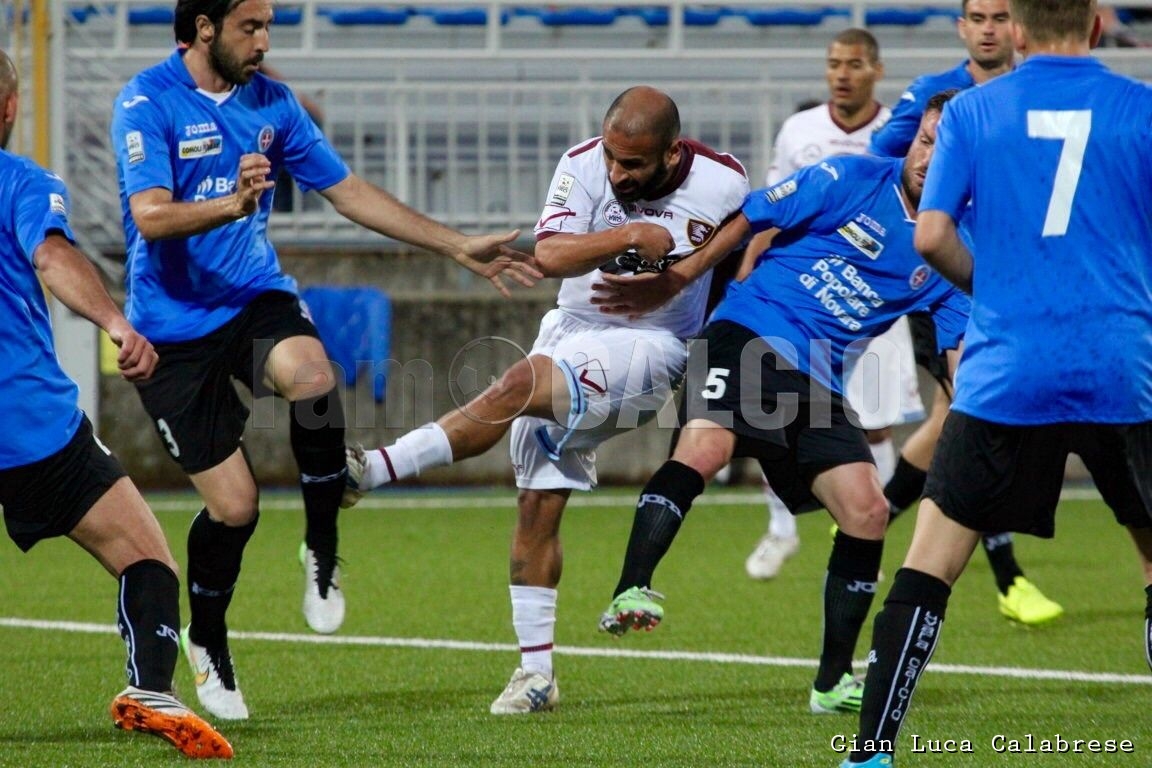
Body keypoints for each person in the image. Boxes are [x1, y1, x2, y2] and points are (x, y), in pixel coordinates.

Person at [110, 0, 539, 722]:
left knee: (313, 376)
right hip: (172, 333)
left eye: (268, 26)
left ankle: (322, 546)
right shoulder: (146, 101)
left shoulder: (272, 102)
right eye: (251, 28)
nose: (265, 42)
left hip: (254, 297)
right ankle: (208, 638)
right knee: (236, 507)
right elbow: (150, 215)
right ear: (206, 27)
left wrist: (455, 244)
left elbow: (351, 193)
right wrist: (231, 203)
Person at [341, 85, 750, 714]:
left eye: (633, 165)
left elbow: (755, 237)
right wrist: (632, 234)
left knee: (516, 386)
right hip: (569, 331)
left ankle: (375, 470)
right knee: (535, 505)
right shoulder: (584, 162)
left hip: (651, 348)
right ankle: (537, 677)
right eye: (613, 158)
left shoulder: (725, 182)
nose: (616, 173)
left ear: (671, 154)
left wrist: (695, 298)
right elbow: (553, 254)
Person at [841, 3, 1152, 765]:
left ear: (1015, 30)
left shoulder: (974, 111)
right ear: (1099, 23)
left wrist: (1001, 292)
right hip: (1123, 363)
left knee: (931, 560)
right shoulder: (1142, 109)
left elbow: (932, 233)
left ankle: (873, 750)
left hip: (1009, 367)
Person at [596, 92, 970, 716]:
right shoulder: (851, 176)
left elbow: (960, 354)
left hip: (815, 378)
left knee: (867, 510)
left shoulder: (949, 246)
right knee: (709, 445)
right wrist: (685, 277)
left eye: (948, 148)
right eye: (926, 140)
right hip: (748, 329)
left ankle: (830, 683)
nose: (929, 157)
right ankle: (631, 587)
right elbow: (753, 213)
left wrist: (981, 412)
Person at [0, 50, 231, 758]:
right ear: (10, 107)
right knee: (144, 554)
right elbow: (53, 256)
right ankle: (150, 688)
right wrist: (116, 323)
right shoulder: (21, 182)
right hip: (25, 424)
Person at [867, 0, 1065, 627]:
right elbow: (885, 160)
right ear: (961, 26)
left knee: (954, 415)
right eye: (976, 16)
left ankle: (877, 519)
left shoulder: (1034, 94)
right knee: (974, 409)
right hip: (947, 276)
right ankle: (1006, 576)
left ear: (1019, 27)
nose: (987, 28)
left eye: (998, 17)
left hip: (1016, 276)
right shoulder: (933, 95)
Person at [740, 28, 926, 582]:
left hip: (874, 300)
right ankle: (780, 530)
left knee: (874, 426)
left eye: (854, 63)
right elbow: (775, 204)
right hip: (804, 294)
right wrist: (752, 262)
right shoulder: (800, 130)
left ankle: (872, 522)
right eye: (834, 63)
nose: (842, 73)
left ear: (877, 69)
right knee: (769, 418)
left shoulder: (901, 132)